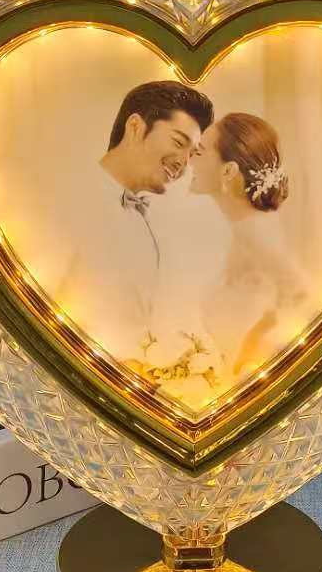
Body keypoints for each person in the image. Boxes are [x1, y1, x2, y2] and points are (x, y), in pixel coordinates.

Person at [57, 80, 213, 362]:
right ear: (135, 127)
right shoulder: (66, 201)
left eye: (191, 154)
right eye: (179, 143)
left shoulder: (144, 224)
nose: (183, 162)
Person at [187, 112, 311, 380]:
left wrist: (252, 352)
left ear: (228, 171)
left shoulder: (257, 232)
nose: (190, 159)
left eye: (200, 151)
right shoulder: (240, 227)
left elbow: (302, 297)